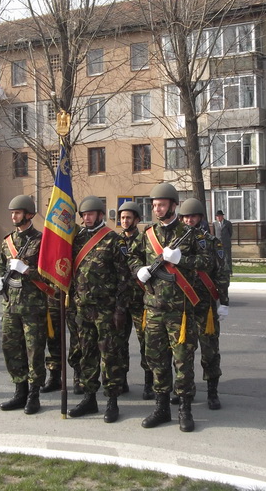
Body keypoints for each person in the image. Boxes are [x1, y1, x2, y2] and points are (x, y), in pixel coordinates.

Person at [127, 183, 211, 432]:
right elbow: (131, 256)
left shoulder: (191, 234)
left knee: (183, 361)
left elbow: (208, 262)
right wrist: (138, 270)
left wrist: (182, 259)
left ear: (174, 205)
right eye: (154, 205)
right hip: (153, 309)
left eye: (162, 205)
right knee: (156, 360)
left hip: (180, 311)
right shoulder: (148, 234)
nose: (157, 209)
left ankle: (185, 410)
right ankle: (161, 408)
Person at [67, 196, 131, 423]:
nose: (86, 218)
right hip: (83, 308)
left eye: (90, 214)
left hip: (106, 310)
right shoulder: (76, 239)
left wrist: (120, 308)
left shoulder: (113, 240)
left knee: (110, 356)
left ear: (101, 215)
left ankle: (112, 401)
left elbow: (124, 277)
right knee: (87, 355)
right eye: (84, 215)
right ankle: (89, 397)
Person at [0, 195, 49, 414]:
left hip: (33, 306)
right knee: (11, 348)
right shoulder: (7, 241)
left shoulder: (41, 240)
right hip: (10, 305)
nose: (13, 216)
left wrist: (27, 271)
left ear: (29, 214)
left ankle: (34, 394)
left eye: (17, 212)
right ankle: (20, 391)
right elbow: (1, 266)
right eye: (12, 213)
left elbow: (49, 275)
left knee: (34, 350)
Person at [179, 198, 230, 410]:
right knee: (183, 353)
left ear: (200, 218)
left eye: (193, 216)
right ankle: (185, 390)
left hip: (205, 305)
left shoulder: (211, 242)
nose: (189, 220)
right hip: (183, 306)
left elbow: (222, 272)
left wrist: (224, 301)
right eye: (185, 217)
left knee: (209, 350)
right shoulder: (175, 242)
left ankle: (212, 392)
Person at [118, 200, 154, 400]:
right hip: (121, 302)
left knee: (146, 343)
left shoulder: (145, 241)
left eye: (128, 218)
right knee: (119, 342)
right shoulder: (115, 241)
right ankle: (122, 380)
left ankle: (149, 383)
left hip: (141, 301)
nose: (124, 221)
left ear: (137, 220)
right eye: (122, 218)